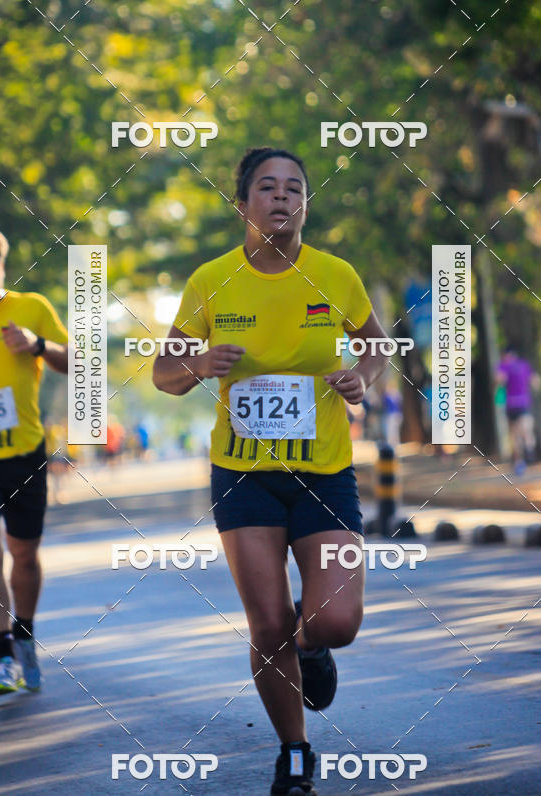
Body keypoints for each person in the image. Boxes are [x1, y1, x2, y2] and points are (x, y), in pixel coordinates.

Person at [153, 147, 388, 795]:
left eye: (294, 189)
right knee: (266, 625)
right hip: (243, 474)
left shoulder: (335, 275)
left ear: (305, 204)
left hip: (325, 472)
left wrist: (360, 378)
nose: (282, 197)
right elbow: (163, 374)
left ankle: (312, 652)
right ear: (243, 204)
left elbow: (375, 346)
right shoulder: (211, 281)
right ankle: (294, 755)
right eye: (267, 187)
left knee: (335, 621)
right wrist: (199, 363)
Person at [0, 221, 68, 696]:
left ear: (2, 265)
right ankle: (4, 656)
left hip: (25, 454)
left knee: (24, 556)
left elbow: (79, 362)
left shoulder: (30, 308)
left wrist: (37, 345)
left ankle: (24, 633)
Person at [496, 345, 537, 475]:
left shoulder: (508, 365)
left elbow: (499, 380)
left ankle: (527, 453)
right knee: (518, 434)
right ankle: (523, 459)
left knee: (521, 431)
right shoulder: (517, 365)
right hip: (515, 404)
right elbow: (535, 381)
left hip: (517, 404)